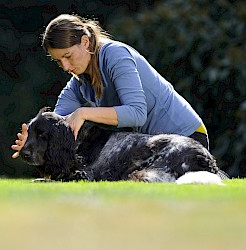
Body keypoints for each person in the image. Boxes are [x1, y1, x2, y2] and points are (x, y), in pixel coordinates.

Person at [11, 14, 209, 159]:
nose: (65, 67)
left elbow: (137, 113)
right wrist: (32, 137)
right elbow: (56, 123)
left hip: (188, 138)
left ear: (85, 42)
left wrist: (83, 113)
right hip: (155, 148)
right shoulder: (77, 83)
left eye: (68, 56)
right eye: (58, 61)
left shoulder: (116, 55)